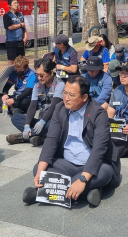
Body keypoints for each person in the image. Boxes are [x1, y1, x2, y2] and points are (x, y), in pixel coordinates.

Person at [23, 75, 122, 208]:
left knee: (105, 172)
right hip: (67, 164)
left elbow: (99, 149)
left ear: (84, 97)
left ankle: (45, 192)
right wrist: (41, 171)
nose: (66, 98)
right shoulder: (60, 109)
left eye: (71, 95)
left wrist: (82, 179)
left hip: (94, 165)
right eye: (64, 93)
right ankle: (87, 190)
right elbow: (51, 140)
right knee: (38, 167)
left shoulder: (98, 114)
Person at [7, 57, 65, 146]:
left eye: (42, 75)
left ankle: (24, 136)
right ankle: (36, 135)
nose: (39, 78)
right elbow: (33, 106)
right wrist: (26, 125)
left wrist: (43, 122)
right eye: (37, 75)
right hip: (41, 121)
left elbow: (54, 106)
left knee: (52, 125)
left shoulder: (60, 84)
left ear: (51, 73)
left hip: (53, 120)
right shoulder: (37, 85)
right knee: (15, 117)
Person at [3, 0, 27, 65]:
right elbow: (10, 27)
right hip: (11, 42)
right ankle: (10, 74)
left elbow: (24, 26)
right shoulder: (7, 15)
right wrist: (20, 25)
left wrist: (25, 36)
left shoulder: (20, 15)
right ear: (9, 5)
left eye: (17, 3)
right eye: (14, 3)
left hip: (20, 41)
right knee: (11, 61)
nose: (16, 5)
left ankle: (20, 74)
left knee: (21, 60)